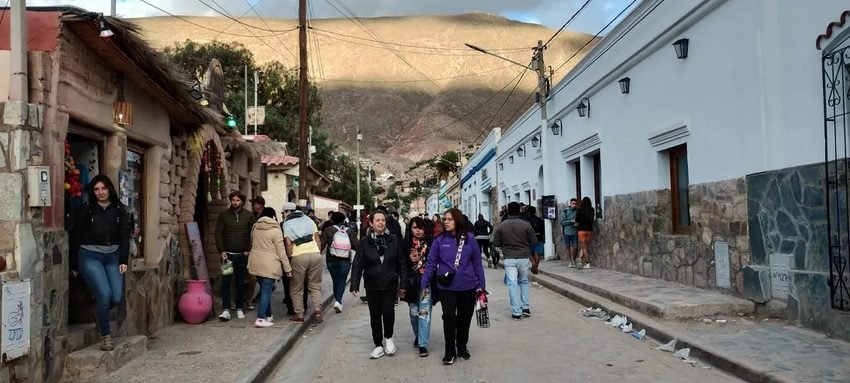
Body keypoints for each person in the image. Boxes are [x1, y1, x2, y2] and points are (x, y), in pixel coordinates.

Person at [70, 174, 130, 351]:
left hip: (113, 257)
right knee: (104, 294)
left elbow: (125, 236)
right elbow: (75, 236)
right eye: (96, 189)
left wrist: (123, 259)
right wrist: (74, 264)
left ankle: (100, 309)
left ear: (110, 188)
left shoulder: (120, 209)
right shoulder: (86, 209)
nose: (100, 192)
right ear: (92, 191)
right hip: (90, 256)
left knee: (116, 296)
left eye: (103, 188)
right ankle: (105, 336)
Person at [421, 209, 486, 365]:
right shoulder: (439, 240)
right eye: (445, 219)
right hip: (447, 288)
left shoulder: (470, 240)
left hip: (468, 287)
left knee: (465, 319)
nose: (446, 221)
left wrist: (481, 285)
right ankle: (449, 351)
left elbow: (477, 264)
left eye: (449, 219)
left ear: (457, 221)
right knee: (449, 318)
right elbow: (430, 263)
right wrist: (424, 283)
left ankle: (462, 347)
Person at [350, 211, 407, 359]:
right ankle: (378, 345)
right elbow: (358, 263)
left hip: (390, 283)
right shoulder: (365, 242)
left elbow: (401, 262)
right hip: (372, 284)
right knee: (375, 315)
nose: (380, 223)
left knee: (388, 313)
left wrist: (403, 283)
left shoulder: (393, 240)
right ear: (371, 223)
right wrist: (354, 283)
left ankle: (388, 338)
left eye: (383, 220)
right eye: (377, 220)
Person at [492, 202, 537, 321]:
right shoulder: (526, 225)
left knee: (512, 284)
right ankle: (525, 307)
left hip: (509, 258)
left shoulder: (502, 226)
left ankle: (516, 312)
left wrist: (504, 246)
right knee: (523, 281)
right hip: (523, 257)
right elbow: (534, 241)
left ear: (508, 211)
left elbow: (495, 243)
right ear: (519, 211)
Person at [248, 207, 292, 328]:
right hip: (270, 264)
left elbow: (251, 243)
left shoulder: (255, 227)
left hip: (256, 261)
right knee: (266, 291)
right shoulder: (276, 230)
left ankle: (269, 315)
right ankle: (260, 319)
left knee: (264, 290)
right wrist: (287, 269)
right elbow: (281, 252)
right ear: (273, 216)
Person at [215, 191, 256, 321]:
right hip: (227, 256)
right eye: (233, 200)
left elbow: (253, 234)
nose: (235, 203)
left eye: (238, 200)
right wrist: (221, 251)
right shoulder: (224, 215)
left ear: (242, 202)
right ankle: (226, 309)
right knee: (226, 282)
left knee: (240, 282)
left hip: (242, 256)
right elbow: (218, 233)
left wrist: (249, 250)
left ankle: (239, 308)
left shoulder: (249, 216)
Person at [282, 202, 323, 323]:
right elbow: (317, 239)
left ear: (288, 212)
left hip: (298, 255)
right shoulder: (309, 220)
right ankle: (317, 309)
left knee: (296, 287)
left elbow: (288, 243)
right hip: (315, 254)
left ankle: (299, 315)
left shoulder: (287, 224)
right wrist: (317, 253)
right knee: (315, 285)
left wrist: (290, 257)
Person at [401, 217, 434, 357]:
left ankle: (423, 344)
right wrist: (409, 260)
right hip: (411, 284)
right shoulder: (405, 243)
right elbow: (400, 264)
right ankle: (418, 334)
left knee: (424, 313)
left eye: (421, 228)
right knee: (414, 312)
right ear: (410, 229)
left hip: (426, 284)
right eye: (415, 228)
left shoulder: (432, 242)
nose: (418, 231)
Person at [321, 212, 358, 313]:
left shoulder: (327, 230)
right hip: (345, 259)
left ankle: (338, 301)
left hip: (331, 259)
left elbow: (322, 245)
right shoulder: (349, 231)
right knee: (342, 280)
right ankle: (338, 301)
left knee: (335, 280)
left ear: (332, 220)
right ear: (343, 220)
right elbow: (356, 246)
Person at [280, 203, 307, 316]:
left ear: (290, 212)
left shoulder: (283, 225)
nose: (283, 214)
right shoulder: (305, 223)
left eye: (285, 212)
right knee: (301, 283)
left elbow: (285, 243)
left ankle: (292, 307)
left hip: (290, 257)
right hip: (301, 256)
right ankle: (301, 306)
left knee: (289, 283)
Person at [576, 197, 595, 269]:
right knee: (585, 246)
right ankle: (580, 259)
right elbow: (592, 219)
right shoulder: (592, 210)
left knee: (584, 247)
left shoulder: (579, 210)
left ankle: (587, 262)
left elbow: (577, 219)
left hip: (581, 230)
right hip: (589, 230)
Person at [524, 206, 545, 274]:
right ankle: (536, 266)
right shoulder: (539, 220)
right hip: (539, 238)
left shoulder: (525, 221)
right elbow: (543, 231)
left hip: (529, 239)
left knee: (529, 253)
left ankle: (533, 263)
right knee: (537, 253)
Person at [560, 198, 579, 267]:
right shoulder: (565, 212)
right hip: (567, 232)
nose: (574, 205)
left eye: (575, 204)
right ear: (570, 204)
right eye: (573, 203)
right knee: (567, 247)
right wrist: (570, 221)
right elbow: (562, 222)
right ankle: (570, 261)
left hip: (575, 232)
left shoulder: (577, 211)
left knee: (575, 247)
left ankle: (573, 259)